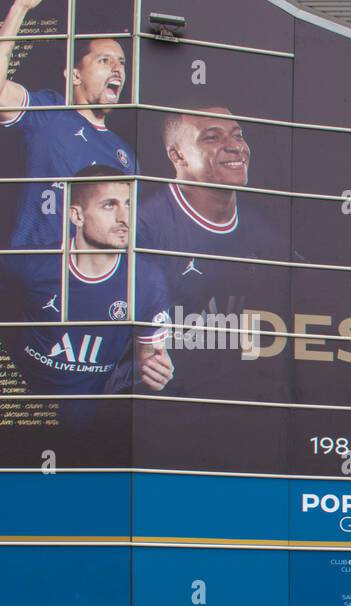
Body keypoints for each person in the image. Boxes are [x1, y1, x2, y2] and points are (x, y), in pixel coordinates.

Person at [9, 167, 172, 394]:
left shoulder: (148, 280)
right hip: (27, 413)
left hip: (91, 421)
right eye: (109, 205)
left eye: (128, 204)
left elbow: (150, 355)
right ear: (77, 215)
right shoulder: (28, 264)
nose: (124, 218)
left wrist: (155, 370)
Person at [0, 0, 136, 249]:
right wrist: (20, 8)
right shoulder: (50, 112)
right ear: (75, 75)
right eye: (105, 61)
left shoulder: (124, 153)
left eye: (122, 63)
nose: (117, 69)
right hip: (33, 269)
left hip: (88, 276)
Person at [136, 106, 279, 334]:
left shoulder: (264, 233)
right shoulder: (141, 224)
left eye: (237, 135)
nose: (235, 147)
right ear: (177, 154)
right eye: (212, 138)